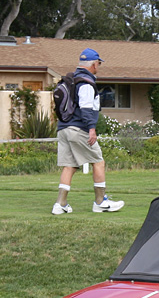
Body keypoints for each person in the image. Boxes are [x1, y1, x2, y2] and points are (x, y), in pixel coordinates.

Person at [52, 47, 124, 214]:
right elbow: (85, 108)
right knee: (98, 161)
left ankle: (60, 205)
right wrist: (91, 129)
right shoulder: (86, 82)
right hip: (79, 129)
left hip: (63, 128)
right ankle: (100, 202)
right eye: (98, 63)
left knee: (69, 166)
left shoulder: (71, 79)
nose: (98, 66)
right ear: (93, 64)